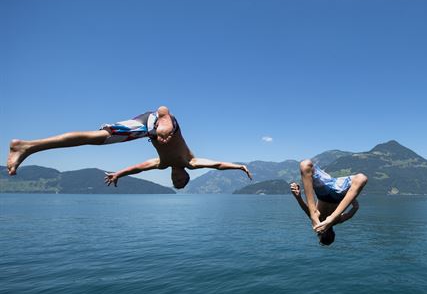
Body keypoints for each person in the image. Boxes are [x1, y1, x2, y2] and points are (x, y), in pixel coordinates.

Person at [7, 106, 252, 189]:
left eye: (174, 183)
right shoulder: (192, 162)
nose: (176, 180)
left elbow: (138, 167)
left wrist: (118, 174)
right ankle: (164, 113)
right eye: (180, 182)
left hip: (144, 127)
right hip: (164, 124)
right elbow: (218, 165)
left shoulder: (161, 164)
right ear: (186, 176)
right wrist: (239, 166)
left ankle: (29, 146)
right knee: (165, 127)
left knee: (96, 138)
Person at [290, 160, 367, 246]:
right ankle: (330, 216)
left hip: (324, 191)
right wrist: (349, 195)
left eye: (322, 234)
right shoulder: (337, 220)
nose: (323, 232)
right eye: (325, 234)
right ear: (332, 233)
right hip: (338, 192)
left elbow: (305, 208)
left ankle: (314, 212)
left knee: (305, 164)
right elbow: (355, 208)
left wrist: (298, 196)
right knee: (362, 178)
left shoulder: (317, 222)